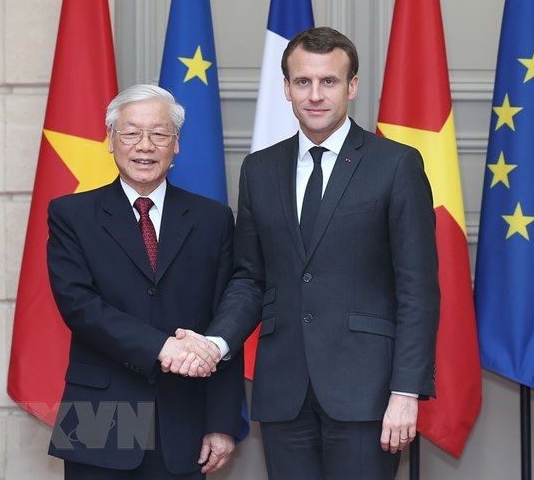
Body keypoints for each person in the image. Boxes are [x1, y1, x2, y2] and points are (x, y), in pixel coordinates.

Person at [169, 27, 440, 479]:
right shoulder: (259, 169)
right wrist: (216, 344)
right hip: (284, 393)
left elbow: (417, 288)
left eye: (329, 82)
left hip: (368, 395)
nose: (315, 95)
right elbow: (250, 279)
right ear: (286, 88)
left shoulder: (396, 164)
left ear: (352, 86)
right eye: (303, 82)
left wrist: (406, 391)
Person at [46, 84, 245, 479]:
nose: (145, 145)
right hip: (100, 411)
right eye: (131, 132)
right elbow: (78, 305)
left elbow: (226, 316)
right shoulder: (72, 214)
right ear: (110, 140)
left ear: (176, 145)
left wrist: (222, 422)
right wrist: (161, 347)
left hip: (184, 414)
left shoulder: (213, 219)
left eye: (159, 134)